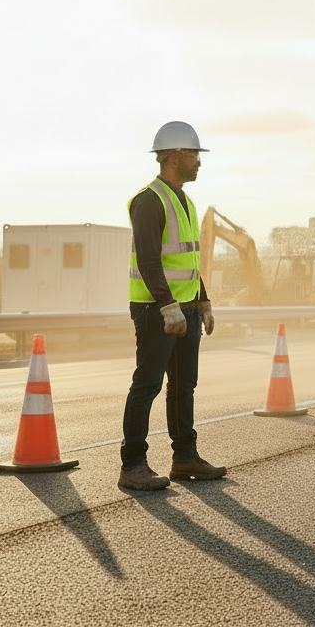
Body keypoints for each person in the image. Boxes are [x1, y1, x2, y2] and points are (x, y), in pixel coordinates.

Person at [119, 121, 225, 491]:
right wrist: (168, 307)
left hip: (186, 308)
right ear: (174, 157)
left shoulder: (185, 201)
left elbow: (189, 261)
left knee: (183, 385)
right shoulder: (149, 201)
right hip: (156, 310)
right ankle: (133, 464)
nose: (199, 162)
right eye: (194, 155)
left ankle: (185, 458)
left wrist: (203, 300)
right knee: (147, 385)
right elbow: (149, 261)